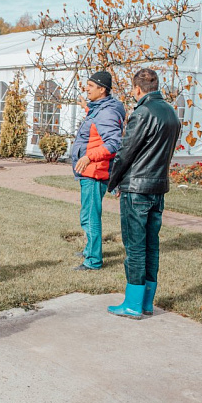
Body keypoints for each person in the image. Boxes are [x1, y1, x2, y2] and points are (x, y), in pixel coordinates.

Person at [107, 68, 180, 319]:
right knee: (152, 246)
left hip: (136, 189)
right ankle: (147, 302)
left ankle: (133, 304)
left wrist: (113, 181)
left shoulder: (142, 113)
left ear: (137, 89)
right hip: (158, 188)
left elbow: (126, 152)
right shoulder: (171, 112)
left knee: (135, 247)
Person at [71, 71, 125, 270]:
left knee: (91, 218)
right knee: (87, 216)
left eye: (91, 86)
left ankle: (93, 261)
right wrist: (85, 107)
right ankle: (89, 250)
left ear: (102, 90)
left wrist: (88, 157)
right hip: (90, 172)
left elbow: (114, 143)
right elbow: (97, 127)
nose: (87, 89)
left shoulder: (107, 112)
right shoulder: (100, 109)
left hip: (95, 172)